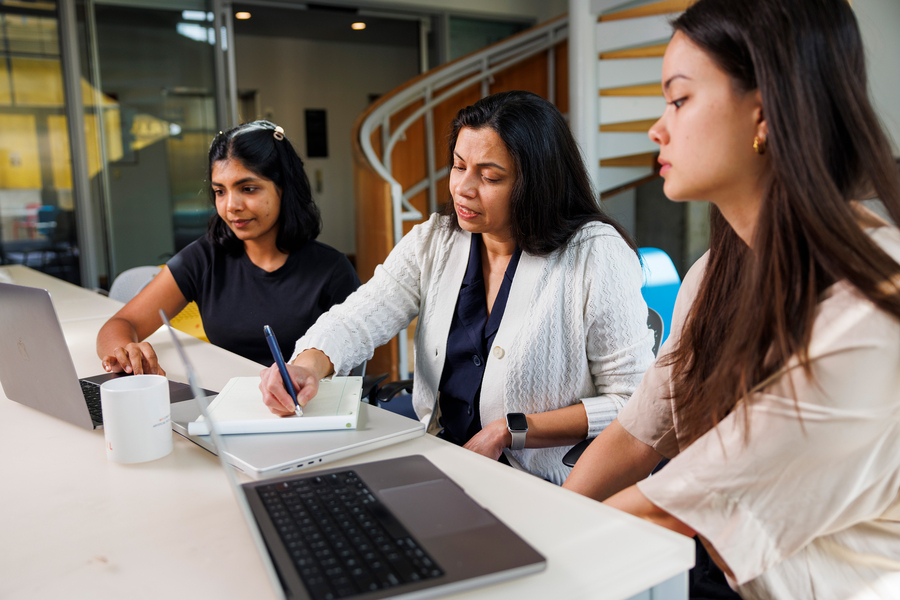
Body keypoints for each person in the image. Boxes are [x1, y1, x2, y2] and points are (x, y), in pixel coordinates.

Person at [562, 1, 900, 598]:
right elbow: (642, 429)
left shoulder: (868, 307)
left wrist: (526, 548)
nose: (656, 129)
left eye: (679, 99)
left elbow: (671, 511)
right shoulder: (713, 275)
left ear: (763, 112)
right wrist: (549, 515)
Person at [259, 91, 656, 485]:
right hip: (445, 459)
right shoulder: (435, 241)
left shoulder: (594, 253)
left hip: (544, 484)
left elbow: (633, 401)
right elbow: (360, 315)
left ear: (537, 183)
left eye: (490, 176)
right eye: (458, 166)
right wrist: (306, 365)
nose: (463, 188)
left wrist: (510, 430)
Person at [96, 120, 359, 374]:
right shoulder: (204, 258)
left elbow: (351, 357)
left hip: (307, 409)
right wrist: (124, 353)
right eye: (220, 191)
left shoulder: (332, 271)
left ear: (284, 189)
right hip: (227, 404)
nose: (231, 206)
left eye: (248, 188)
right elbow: (121, 323)